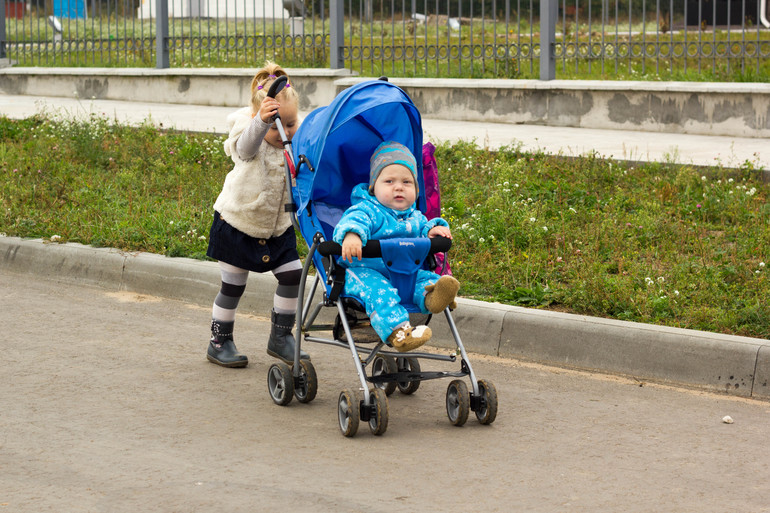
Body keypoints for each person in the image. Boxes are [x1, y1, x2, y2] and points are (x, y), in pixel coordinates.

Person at [205, 61, 310, 368]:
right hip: (238, 223)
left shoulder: (293, 141)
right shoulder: (249, 133)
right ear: (258, 116)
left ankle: (280, 337)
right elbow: (246, 148)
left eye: (290, 124)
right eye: (277, 123)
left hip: (277, 228)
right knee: (233, 286)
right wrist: (262, 123)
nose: (284, 131)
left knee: (293, 275)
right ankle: (219, 341)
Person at [332, 141, 461, 352]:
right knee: (380, 293)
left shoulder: (415, 216)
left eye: (407, 182)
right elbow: (353, 221)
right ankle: (399, 332)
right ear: (374, 188)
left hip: (405, 272)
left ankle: (433, 296)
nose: (399, 187)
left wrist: (433, 231)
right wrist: (352, 235)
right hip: (365, 271)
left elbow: (424, 228)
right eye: (389, 181)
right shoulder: (367, 209)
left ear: (416, 190)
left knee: (425, 279)